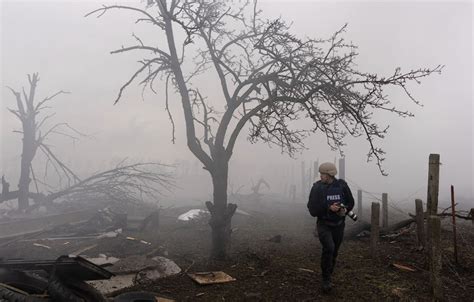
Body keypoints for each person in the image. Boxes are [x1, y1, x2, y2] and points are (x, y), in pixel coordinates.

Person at [307, 162, 355, 293]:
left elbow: (351, 202)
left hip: (339, 224)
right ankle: (326, 279)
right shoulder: (317, 188)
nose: (321, 176)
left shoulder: (342, 185)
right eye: (321, 174)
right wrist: (328, 208)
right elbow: (312, 209)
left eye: (323, 174)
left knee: (334, 252)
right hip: (323, 224)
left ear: (330, 175)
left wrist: (343, 208)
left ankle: (329, 271)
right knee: (329, 247)